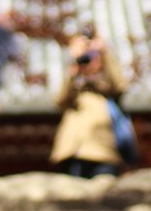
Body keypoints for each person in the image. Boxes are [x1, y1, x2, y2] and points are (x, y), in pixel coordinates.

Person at [50, 26, 130, 178]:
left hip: (104, 152)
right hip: (72, 152)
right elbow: (59, 100)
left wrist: (105, 52)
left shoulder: (105, 92)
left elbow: (120, 85)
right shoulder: (75, 91)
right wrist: (73, 63)